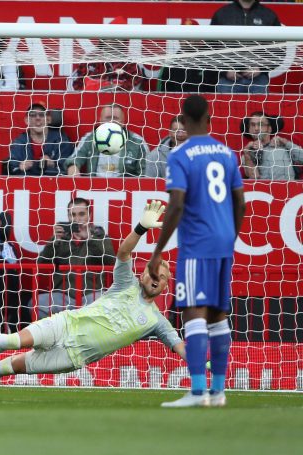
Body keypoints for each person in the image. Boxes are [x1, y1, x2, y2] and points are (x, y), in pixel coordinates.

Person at [0, 201, 185, 388]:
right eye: (152, 273)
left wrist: (203, 360)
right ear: (142, 274)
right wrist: (141, 227)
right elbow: (124, 253)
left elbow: (180, 347)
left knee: (8, 367)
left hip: (72, 356)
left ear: (166, 285)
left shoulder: (157, 321)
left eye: (161, 278)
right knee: (13, 341)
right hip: (64, 324)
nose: (155, 279)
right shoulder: (125, 283)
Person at [149, 94, 246, 408]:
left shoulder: (180, 154)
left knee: (193, 313)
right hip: (223, 241)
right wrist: (230, 235)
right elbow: (240, 201)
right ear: (209, 118)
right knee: (218, 317)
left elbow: (176, 203)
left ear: (183, 119)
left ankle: (197, 392)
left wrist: (157, 250)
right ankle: (218, 392)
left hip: (197, 243)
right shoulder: (227, 153)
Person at [34, 198, 116, 318]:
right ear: (68, 217)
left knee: (106, 303)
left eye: (81, 214)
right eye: (73, 215)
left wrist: (89, 238)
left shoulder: (100, 236)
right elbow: (41, 264)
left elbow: (111, 260)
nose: (77, 219)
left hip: (91, 295)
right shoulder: (60, 239)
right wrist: (54, 242)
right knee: (35, 304)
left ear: (89, 215)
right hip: (62, 296)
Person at [211, 0, 281, 94]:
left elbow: (279, 49)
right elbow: (212, 46)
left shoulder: (268, 15)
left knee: (259, 109)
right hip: (227, 81)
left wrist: (261, 68)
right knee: (225, 109)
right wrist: (225, 71)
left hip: (258, 81)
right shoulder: (222, 14)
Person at [66, 104, 149, 177]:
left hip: (126, 189)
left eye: (115, 118)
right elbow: (74, 160)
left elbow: (146, 173)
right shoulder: (90, 138)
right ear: (100, 121)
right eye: (108, 118)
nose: (111, 122)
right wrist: (74, 171)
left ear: (123, 122)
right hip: (94, 188)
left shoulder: (137, 142)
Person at [7, 103, 74, 177]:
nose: (38, 118)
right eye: (33, 115)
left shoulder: (62, 142)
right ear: (27, 120)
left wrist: (53, 164)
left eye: (42, 114)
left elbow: (69, 169)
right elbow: (11, 169)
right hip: (26, 185)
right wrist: (20, 167)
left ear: (48, 119)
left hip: (53, 185)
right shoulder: (19, 143)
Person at [239, 112, 303, 180]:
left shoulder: (283, 147)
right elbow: (254, 177)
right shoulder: (247, 154)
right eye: (252, 125)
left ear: (269, 129)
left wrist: (286, 142)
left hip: (288, 188)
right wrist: (247, 153)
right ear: (249, 130)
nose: (256, 128)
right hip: (264, 190)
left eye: (261, 124)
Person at [146, 115, 188, 179]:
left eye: (184, 130)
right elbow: (148, 185)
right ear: (170, 132)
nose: (180, 135)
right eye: (176, 131)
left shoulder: (202, 153)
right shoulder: (154, 157)